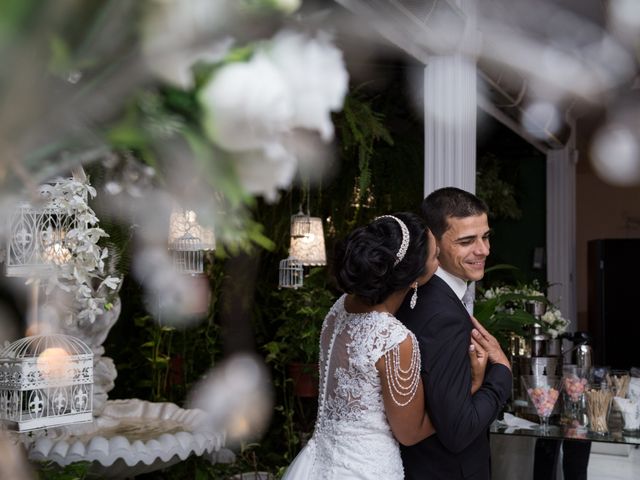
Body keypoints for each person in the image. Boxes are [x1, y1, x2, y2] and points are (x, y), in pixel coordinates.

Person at [282, 213, 490, 479]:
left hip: (319, 463)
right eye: (435, 258)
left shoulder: (339, 309)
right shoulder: (393, 339)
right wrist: (471, 386)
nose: (438, 266)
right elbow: (410, 433)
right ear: (413, 276)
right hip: (366, 470)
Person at [397, 187, 513, 480]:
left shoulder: (417, 293)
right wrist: (501, 370)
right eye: (466, 241)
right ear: (433, 243)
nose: (483, 250)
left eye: (485, 237)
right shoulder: (442, 315)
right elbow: (458, 430)